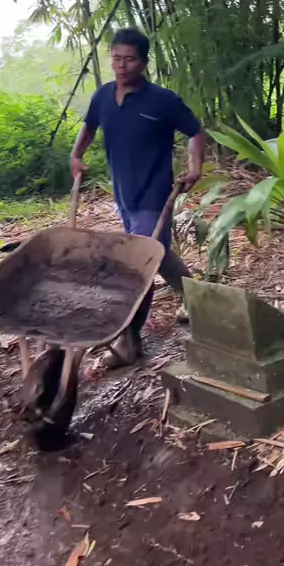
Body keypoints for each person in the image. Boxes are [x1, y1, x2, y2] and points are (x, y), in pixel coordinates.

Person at [70, 27, 205, 368]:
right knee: (158, 253)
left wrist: (194, 167)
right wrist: (76, 155)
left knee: (139, 263)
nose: (121, 65)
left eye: (129, 59)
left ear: (143, 62)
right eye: (116, 58)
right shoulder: (103, 96)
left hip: (155, 194)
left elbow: (195, 131)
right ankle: (197, 298)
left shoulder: (163, 100)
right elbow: (89, 126)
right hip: (124, 194)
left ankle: (130, 342)